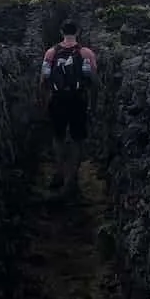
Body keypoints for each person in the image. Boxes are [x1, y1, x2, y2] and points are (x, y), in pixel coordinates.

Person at [39, 20, 98, 194]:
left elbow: (43, 80)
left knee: (58, 137)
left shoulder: (51, 53)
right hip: (78, 100)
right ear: (78, 31)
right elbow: (94, 81)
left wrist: (43, 102)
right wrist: (93, 104)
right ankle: (72, 178)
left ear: (61, 32)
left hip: (57, 99)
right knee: (77, 139)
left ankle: (59, 172)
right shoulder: (86, 53)